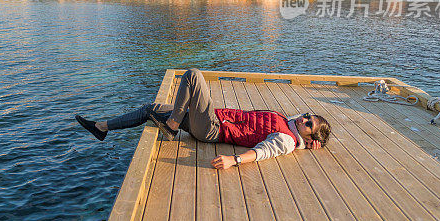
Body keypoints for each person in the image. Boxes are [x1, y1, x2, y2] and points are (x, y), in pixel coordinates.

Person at [75, 68, 331, 169]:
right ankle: (101, 127)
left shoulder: (286, 141)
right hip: (210, 120)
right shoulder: (289, 122)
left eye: (309, 124)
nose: (304, 119)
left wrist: (234, 160)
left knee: (193, 76)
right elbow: (301, 121)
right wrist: (310, 142)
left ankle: (172, 126)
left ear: (306, 134)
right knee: (149, 108)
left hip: (212, 129)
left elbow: (264, 152)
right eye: (307, 116)